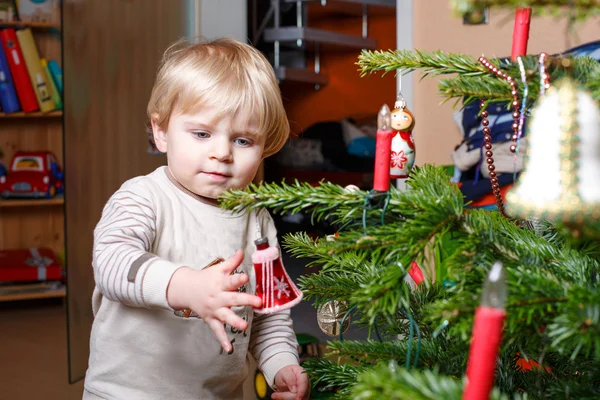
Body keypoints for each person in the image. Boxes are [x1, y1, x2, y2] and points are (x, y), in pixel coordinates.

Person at [83, 38, 310, 400]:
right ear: (161, 132)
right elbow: (111, 264)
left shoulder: (257, 220)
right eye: (202, 134)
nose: (221, 153)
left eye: (242, 140)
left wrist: (282, 364)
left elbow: (267, 313)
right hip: (126, 393)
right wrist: (184, 286)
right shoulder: (143, 197)